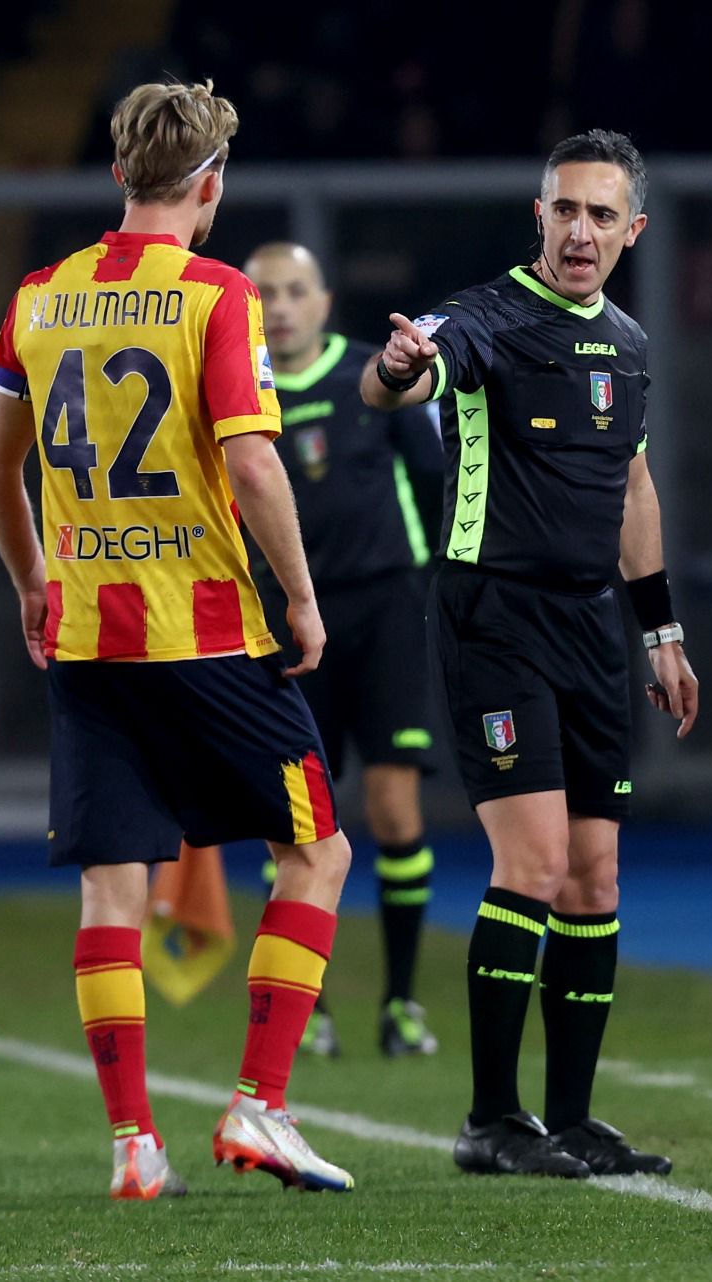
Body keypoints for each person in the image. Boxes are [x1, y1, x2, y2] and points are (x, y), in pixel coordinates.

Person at [0, 80, 355, 1198]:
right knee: (317, 850)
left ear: (118, 178)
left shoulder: (37, 298)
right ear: (210, 186)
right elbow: (250, 460)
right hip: (206, 634)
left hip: (88, 638)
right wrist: (301, 596)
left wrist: (34, 578)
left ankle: (133, 1145)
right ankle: (260, 1106)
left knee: (112, 888)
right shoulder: (217, 295)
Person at [360, 129, 697, 1178]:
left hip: (593, 625)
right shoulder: (484, 318)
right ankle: (491, 1119)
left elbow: (633, 491)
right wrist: (397, 361)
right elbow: (398, 385)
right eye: (564, 208)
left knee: (595, 878)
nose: (581, 229)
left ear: (632, 228)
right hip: (491, 616)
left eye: (602, 213)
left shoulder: (630, 345)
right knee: (536, 863)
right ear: (538, 216)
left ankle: (572, 1116)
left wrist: (661, 631)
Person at [244, 242, 444, 1058]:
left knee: (394, 811)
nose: (281, 306)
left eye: (296, 291)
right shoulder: (233, 389)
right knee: (293, 828)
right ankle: (308, 1010)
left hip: (386, 610)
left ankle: (399, 1006)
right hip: (284, 624)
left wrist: (434, 588)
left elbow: (434, 481)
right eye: (265, 293)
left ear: (324, 302)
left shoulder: (375, 378)